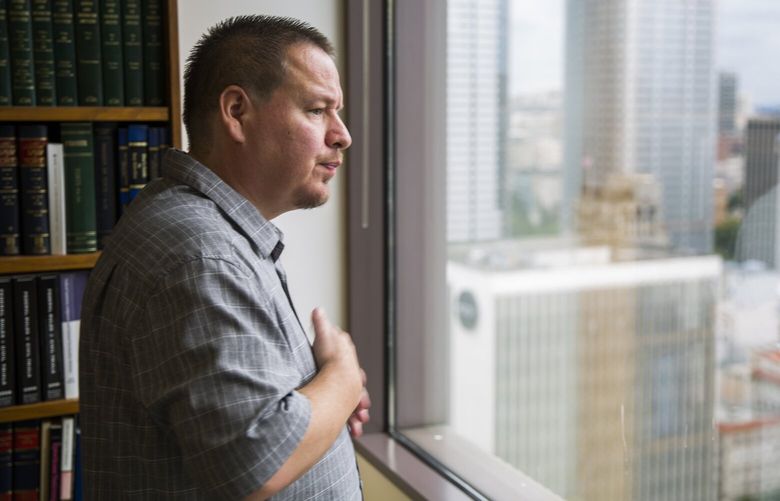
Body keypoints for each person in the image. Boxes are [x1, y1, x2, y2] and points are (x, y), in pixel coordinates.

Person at [79, 15, 370, 500]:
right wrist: (340, 377)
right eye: (318, 110)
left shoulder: (206, 232)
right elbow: (255, 463)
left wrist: (322, 403)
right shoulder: (200, 255)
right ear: (236, 111)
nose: (342, 135)